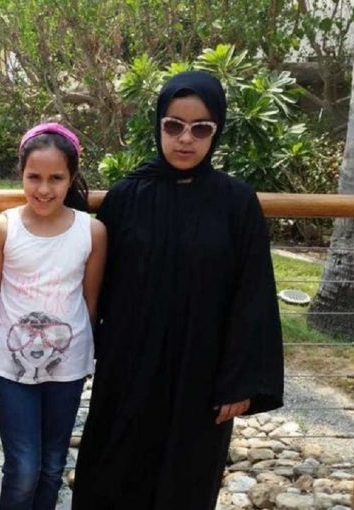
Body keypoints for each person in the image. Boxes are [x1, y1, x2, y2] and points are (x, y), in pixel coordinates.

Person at [71, 71, 284, 509]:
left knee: (187, 482)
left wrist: (238, 381)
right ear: (159, 125)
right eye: (174, 125)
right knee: (113, 474)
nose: (185, 139)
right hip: (129, 369)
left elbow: (253, 295)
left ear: (216, 130)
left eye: (200, 128)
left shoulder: (236, 203)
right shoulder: (126, 197)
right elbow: (91, 275)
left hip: (201, 377)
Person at [0, 122, 107, 510]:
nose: (44, 189)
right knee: (23, 467)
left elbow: (90, 302)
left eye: (56, 178)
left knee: (52, 465)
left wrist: (78, 352)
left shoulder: (92, 232)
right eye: (34, 177)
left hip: (69, 366)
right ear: (21, 173)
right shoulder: (1, 230)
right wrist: (3, 348)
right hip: (12, 366)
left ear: (72, 177)